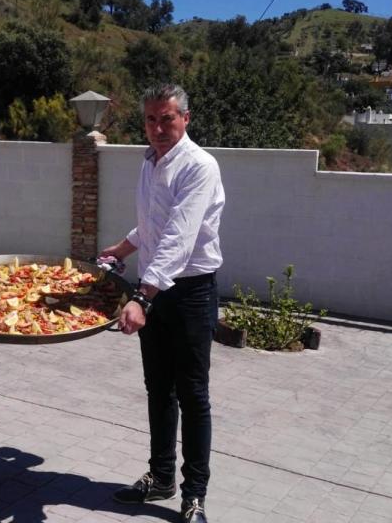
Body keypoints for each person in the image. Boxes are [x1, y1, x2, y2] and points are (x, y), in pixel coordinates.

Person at [99, 83, 224, 523]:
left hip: (190, 292)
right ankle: (161, 478)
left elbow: (179, 237)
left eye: (167, 118)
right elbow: (152, 226)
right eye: (151, 119)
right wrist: (121, 249)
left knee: (193, 394)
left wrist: (141, 297)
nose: (157, 128)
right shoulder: (150, 162)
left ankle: (194, 495)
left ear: (186, 118)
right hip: (155, 289)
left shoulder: (199, 166)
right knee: (158, 390)